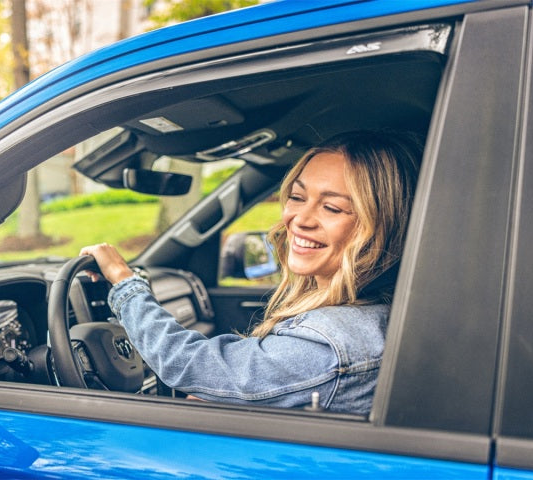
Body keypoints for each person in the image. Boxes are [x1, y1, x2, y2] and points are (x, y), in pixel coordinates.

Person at [80, 130, 421, 414]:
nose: (300, 219)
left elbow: (187, 364)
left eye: (332, 207)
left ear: (382, 225)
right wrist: (222, 396)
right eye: (297, 197)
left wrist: (125, 283)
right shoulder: (381, 314)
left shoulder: (330, 342)